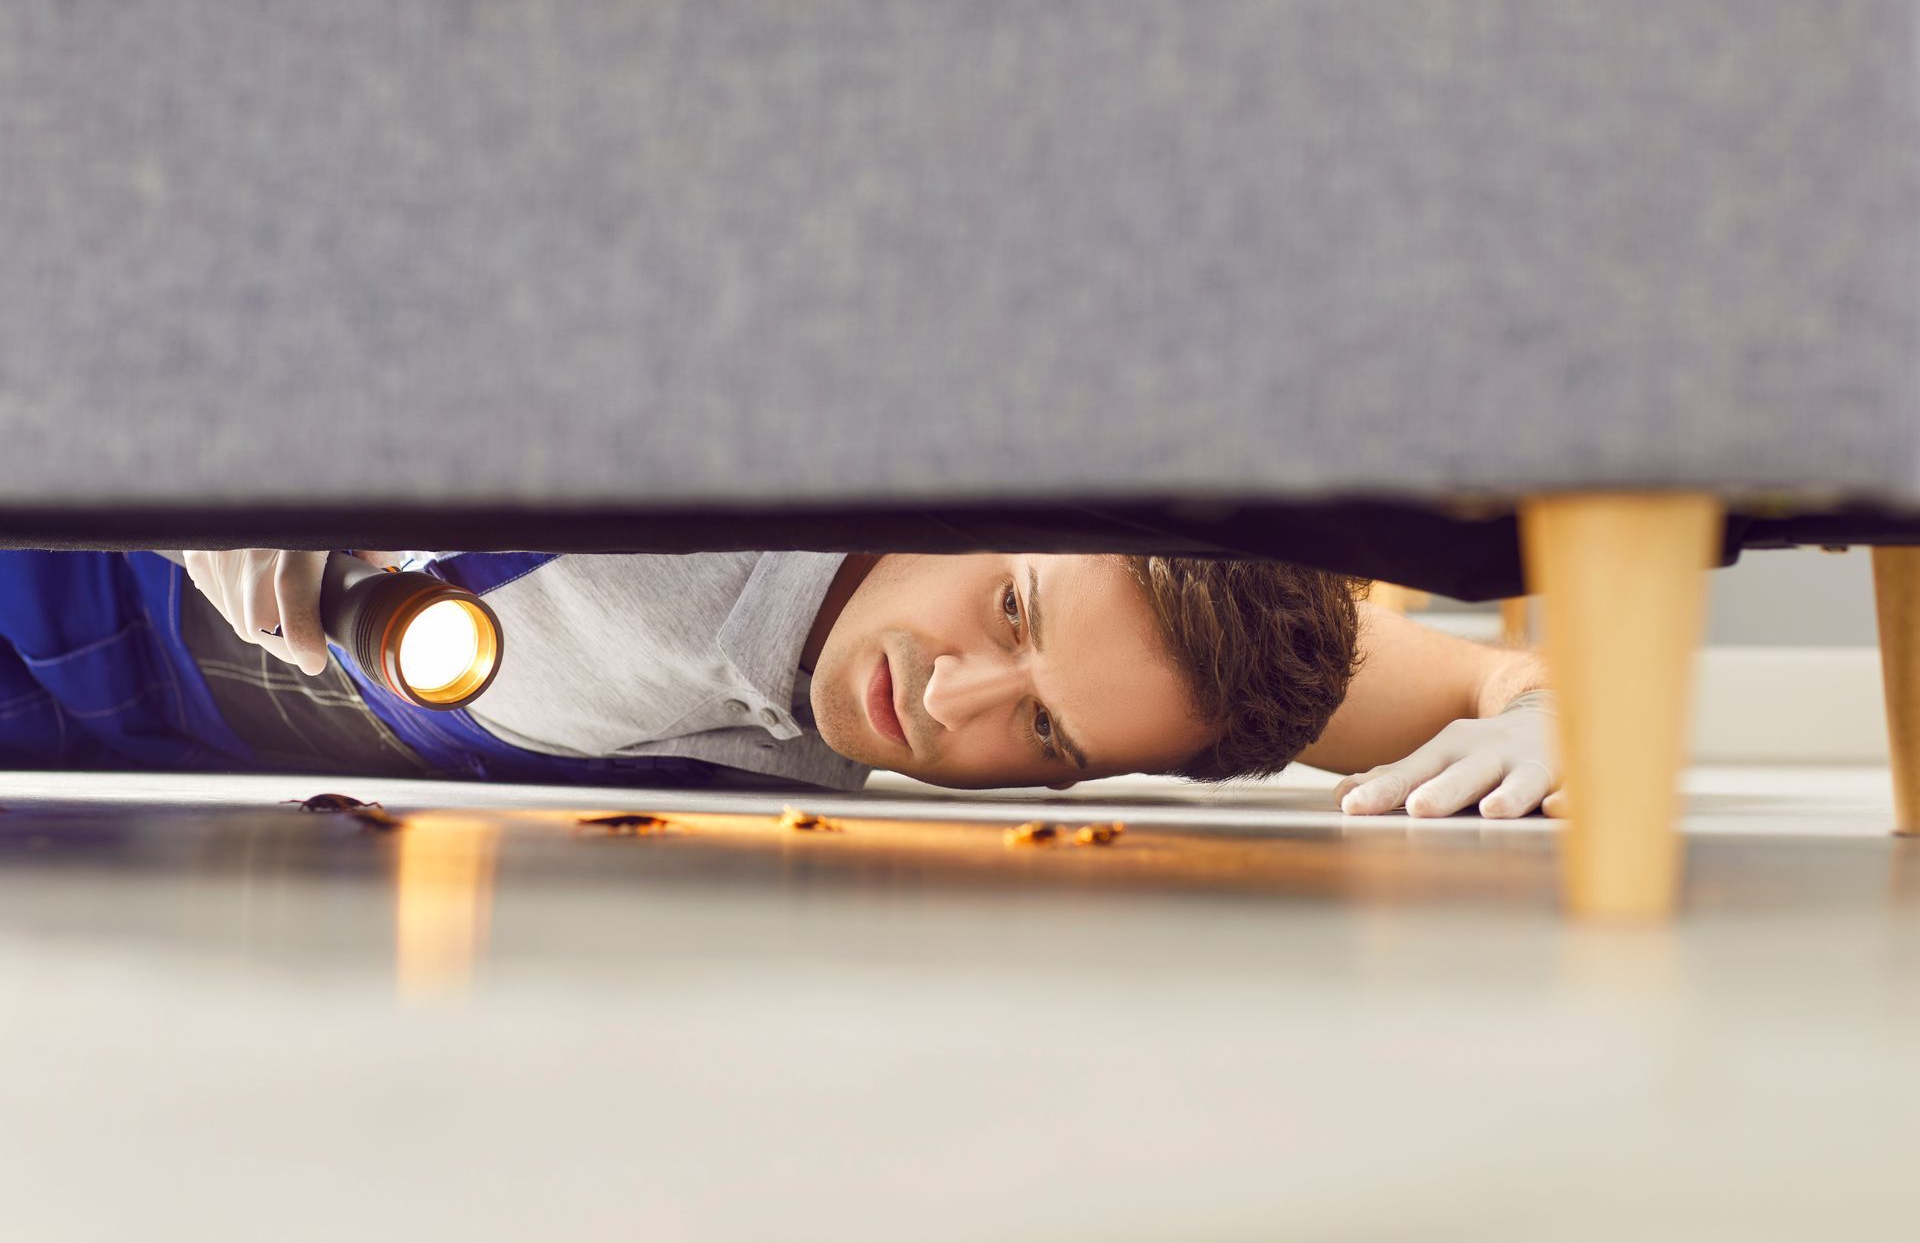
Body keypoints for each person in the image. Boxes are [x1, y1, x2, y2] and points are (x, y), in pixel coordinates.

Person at [0, 546, 1563, 819]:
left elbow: (1510, 679)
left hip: (128, 752)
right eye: (1005, 605)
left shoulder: (1194, 660)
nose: (954, 703)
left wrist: (1576, 714)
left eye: (1046, 738)